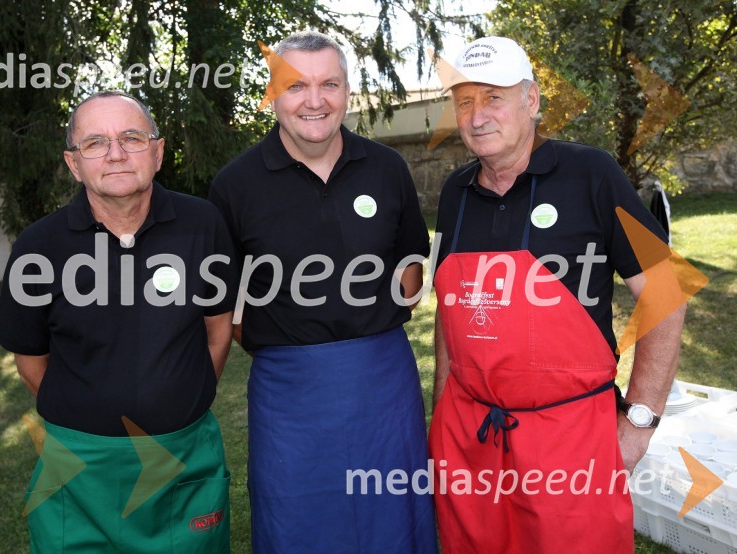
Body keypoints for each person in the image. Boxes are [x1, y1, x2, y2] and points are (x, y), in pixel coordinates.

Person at [429, 37, 686, 553]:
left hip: (570, 440)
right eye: (464, 101)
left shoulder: (591, 175)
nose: (477, 116)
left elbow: (667, 292)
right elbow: (451, 312)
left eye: (494, 97)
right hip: (471, 437)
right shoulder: (455, 193)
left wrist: (639, 421)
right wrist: (441, 417)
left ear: (533, 100)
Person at [209, 31, 437, 553]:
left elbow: (410, 272)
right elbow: (227, 302)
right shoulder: (235, 184)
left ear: (347, 91)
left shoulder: (387, 169)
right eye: (296, 86)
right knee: (296, 518)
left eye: (329, 84)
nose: (315, 100)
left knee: (391, 517)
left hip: (385, 384)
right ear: (273, 94)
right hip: (288, 392)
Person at [0, 91, 238, 552]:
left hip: (183, 459)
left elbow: (218, 329)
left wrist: (181, 398)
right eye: (95, 143)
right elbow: (31, 363)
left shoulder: (202, 224)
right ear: (74, 163)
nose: (115, 153)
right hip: (79, 470)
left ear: (158, 151)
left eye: (131, 137)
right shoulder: (37, 248)